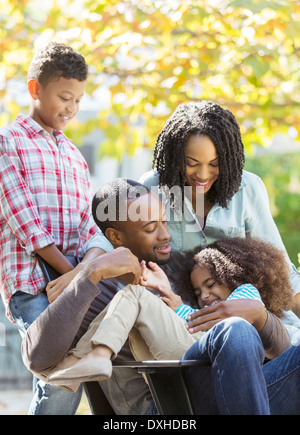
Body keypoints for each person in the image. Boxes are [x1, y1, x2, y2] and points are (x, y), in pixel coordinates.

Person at [21, 179, 291, 415]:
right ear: (115, 236)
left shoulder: (173, 279)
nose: (165, 234)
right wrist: (91, 271)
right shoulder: (97, 289)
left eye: (164, 221)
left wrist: (261, 316)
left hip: (237, 389)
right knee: (235, 330)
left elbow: (278, 349)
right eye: (151, 228)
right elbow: (36, 358)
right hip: (173, 402)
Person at [0, 42, 111, 415]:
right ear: (35, 89)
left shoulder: (75, 156)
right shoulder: (7, 142)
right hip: (32, 284)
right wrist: (76, 275)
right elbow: (24, 221)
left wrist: (83, 272)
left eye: (78, 100)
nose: (72, 108)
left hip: (73, 284)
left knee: (72, 376)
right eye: (65, 97)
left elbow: (88, 225)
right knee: (61, 372)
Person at [138, 100, 300, 337]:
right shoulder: (152, 188)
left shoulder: (248, 188)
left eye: (214, 164)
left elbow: (282, 271)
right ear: (175, 157)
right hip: (183, 323)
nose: (203, 175)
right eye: (191, 164)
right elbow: (118, 238)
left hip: (247, 322)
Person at [43, 236, 292, 386]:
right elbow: (194, 322)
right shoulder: (205, 312)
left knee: (135, 295)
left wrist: (175, 302)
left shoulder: (246, 294)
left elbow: (206, 323)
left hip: (211, 358)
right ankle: (84, 361)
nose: (204, 296)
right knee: (132, 299)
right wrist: (168, 293)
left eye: (211, 284)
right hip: (197, 356)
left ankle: (91, 356)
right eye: (198, 292)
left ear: (232, 276)